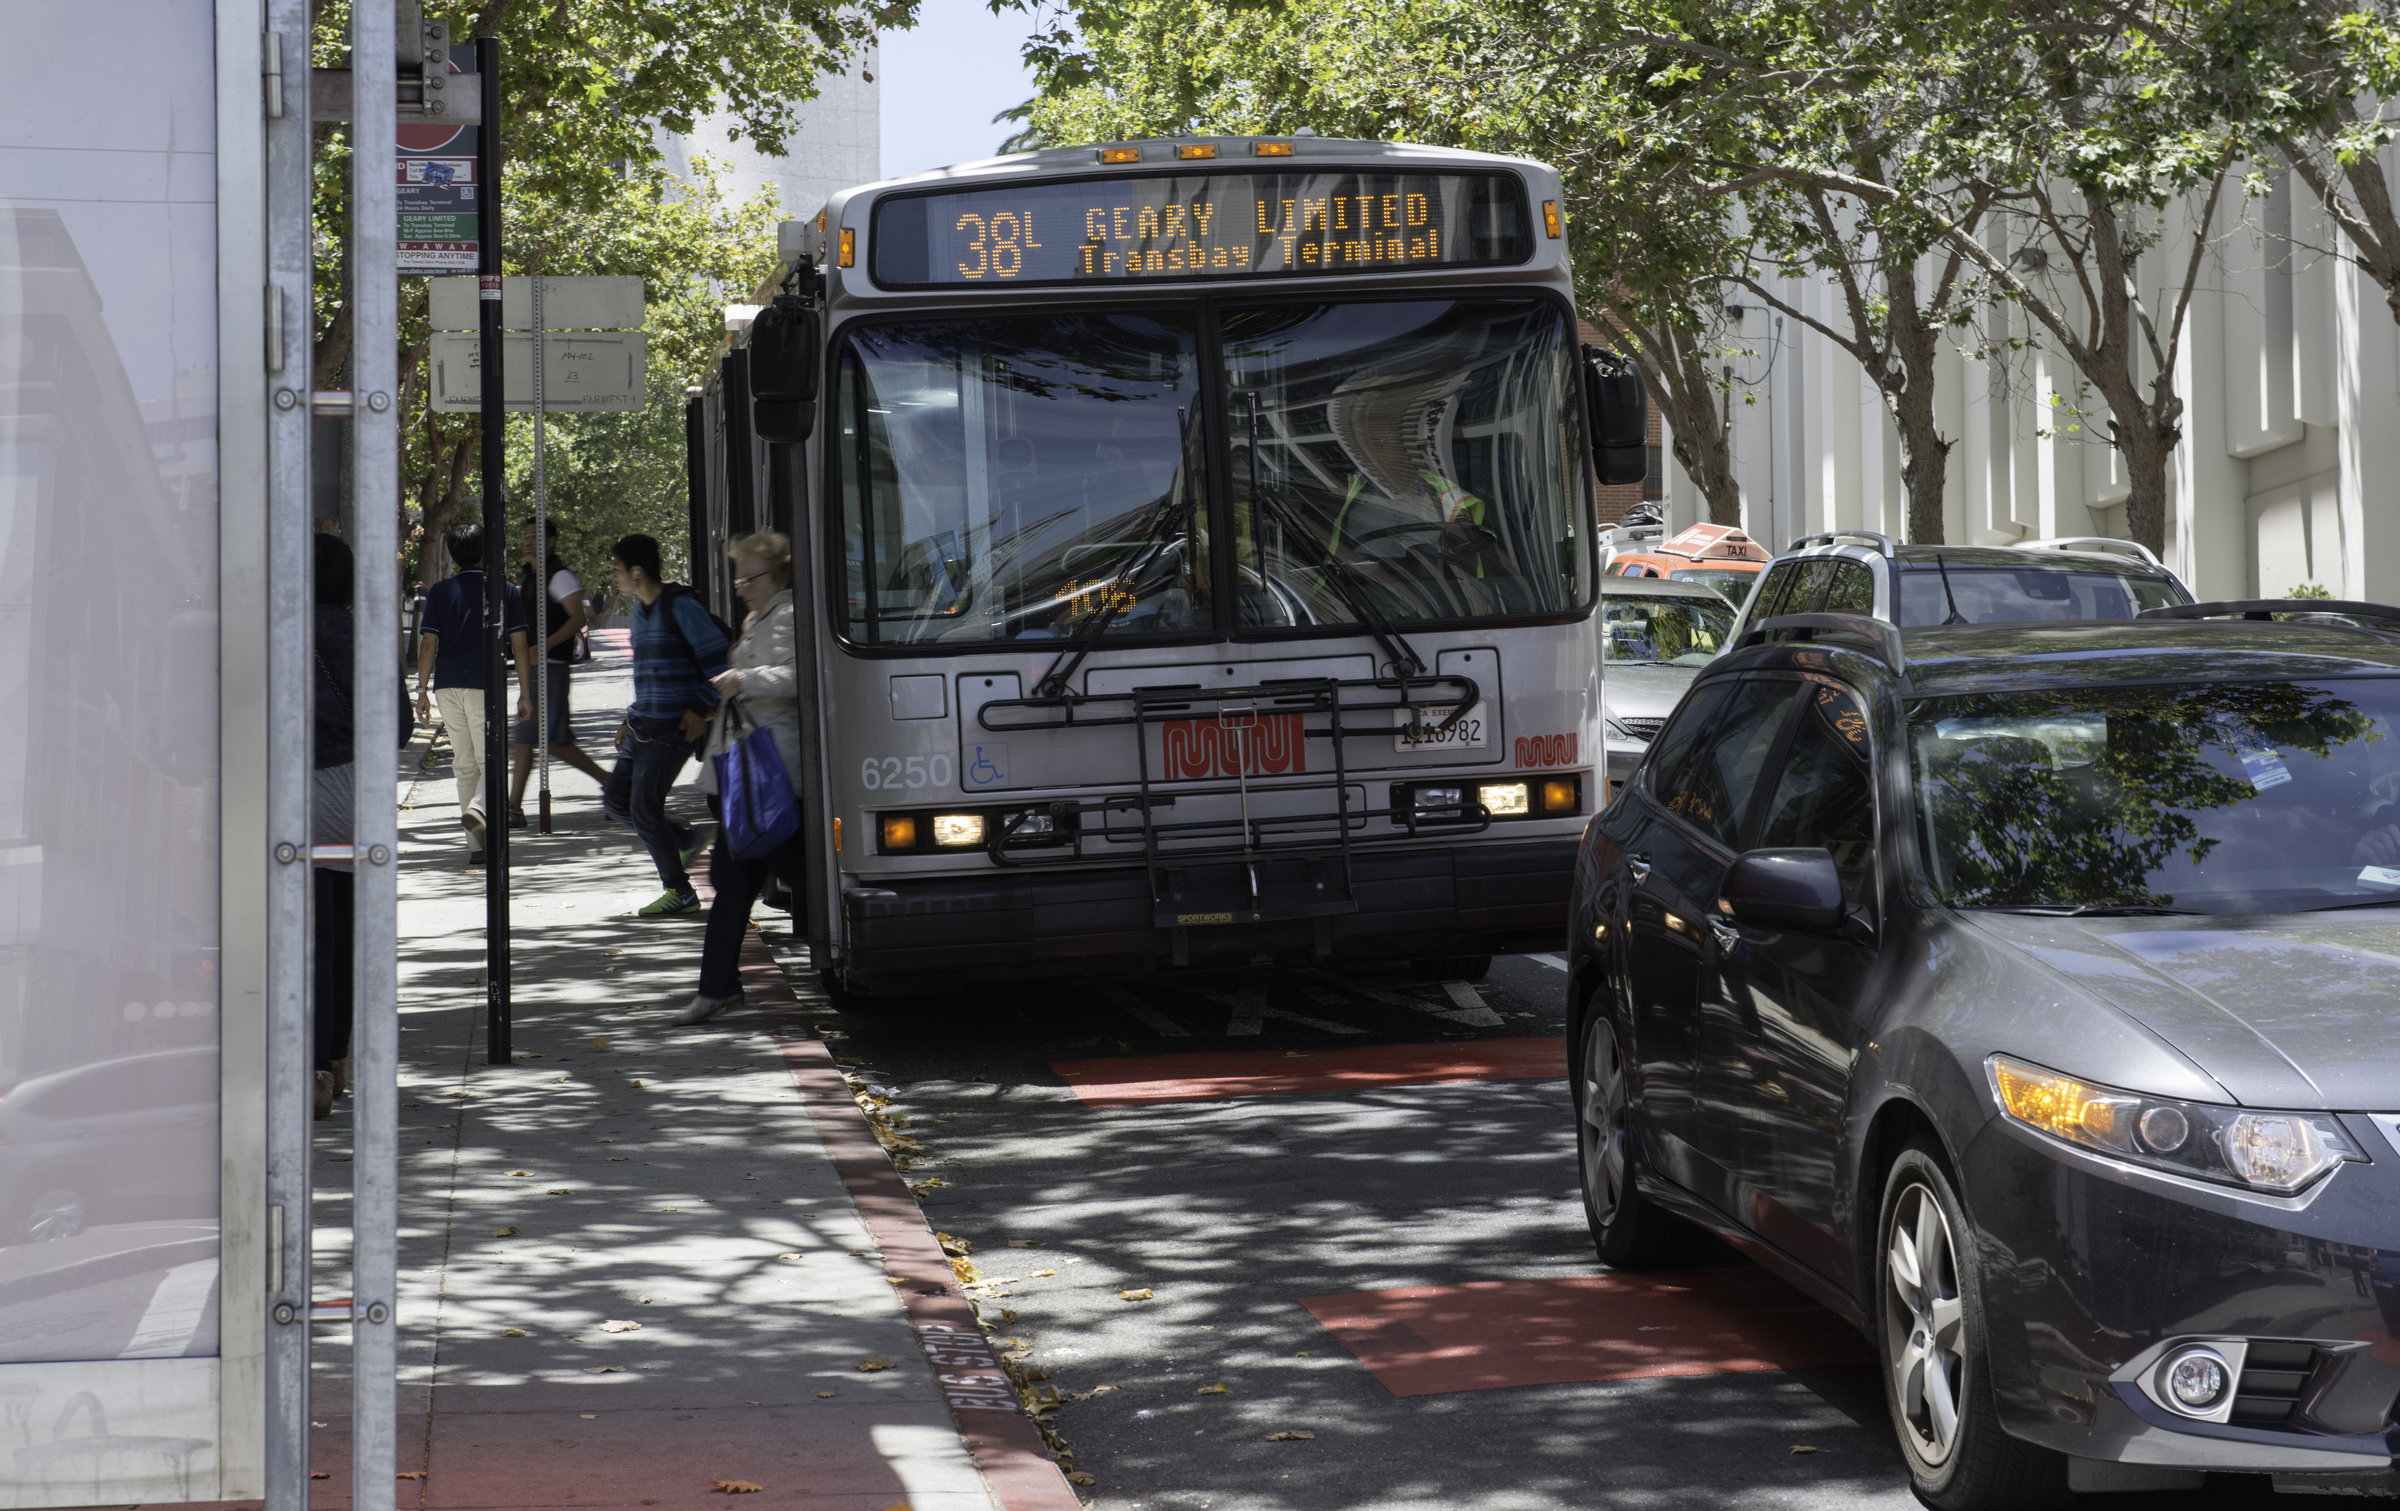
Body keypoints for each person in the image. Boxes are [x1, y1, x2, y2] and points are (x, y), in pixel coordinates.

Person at [677, 532, 805, 1023]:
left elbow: (801, 674)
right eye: (739, 577)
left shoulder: (788, 616)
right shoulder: (760, 617)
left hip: (772, 773)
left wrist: (743, 680)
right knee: (732, 880)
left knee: (787, 873)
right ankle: (717, 988)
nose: (740, 587)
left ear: (776, 576)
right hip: (750, 772)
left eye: (749, 577)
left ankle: (719, 988)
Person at [603, 534, 728, 915]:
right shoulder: (639, 612)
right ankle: (686, 838)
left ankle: (680, 891)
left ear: (637, 571)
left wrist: (699, 708)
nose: (614, 576)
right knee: (616, 801)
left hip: (672, 729)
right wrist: (629, 718)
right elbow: (648, 674)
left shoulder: (681, 607)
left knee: (644, 808)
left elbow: (721, 663)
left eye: (618, 568)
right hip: (643, 724)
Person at [414, 523, 535, 866]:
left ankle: (477, 847)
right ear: (486, 550)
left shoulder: (440, 592)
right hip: (485, 687)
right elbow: (520, 645)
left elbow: (428, 642)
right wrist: (525, 693)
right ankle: (479, 809)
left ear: (452, 554)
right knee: (490, 761)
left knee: (464, 764)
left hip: (447, 687)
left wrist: (421, 690)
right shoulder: (504, 590)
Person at [508, 517, 608, 822]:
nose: (527, 541)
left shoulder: (559, 576)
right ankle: (512, 808)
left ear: (551, 541)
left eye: (534, 536)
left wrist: (545, 645)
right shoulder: (530, 576)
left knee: (550, 740)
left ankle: (616, 786)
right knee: (526, 737)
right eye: (524, 536)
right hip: (532, 670)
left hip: (550, 670)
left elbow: (578, 618)